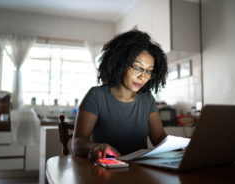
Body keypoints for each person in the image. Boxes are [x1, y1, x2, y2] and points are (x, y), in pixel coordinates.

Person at [72, 30, 168, 162]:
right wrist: (97, 147)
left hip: (139, 170)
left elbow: (159, 137)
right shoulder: (96, 95)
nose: (142, 77)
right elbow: (77, 142)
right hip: (106, 169)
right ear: (121, 63)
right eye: (137, 68)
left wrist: (180, 147)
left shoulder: (147, 98)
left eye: (148, 71)